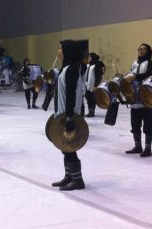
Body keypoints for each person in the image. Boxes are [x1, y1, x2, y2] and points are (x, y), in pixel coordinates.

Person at [51, 40, 87, 191]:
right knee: (63, 146)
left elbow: (71, 94)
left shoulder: (72, 69)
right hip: (62, 112)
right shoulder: (66, 68)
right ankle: (69, 176)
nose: (58, 51)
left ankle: (78, 180)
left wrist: (70, 116)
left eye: (61, 48)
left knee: (69, 147)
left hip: (69, 112)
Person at [126, 43, 152, 157]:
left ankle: (148, 148)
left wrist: (134, 77)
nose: (140, 50)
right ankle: (138, 146)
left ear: (148, 51)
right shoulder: (134, 63)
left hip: (147, 98)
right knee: (135, 124)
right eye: (139, 48)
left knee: (148, 124)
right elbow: (131, 75)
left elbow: (147, 74)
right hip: (135, 99)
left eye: (143, 49)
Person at [85, 53, 102, 117]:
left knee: (92, 99)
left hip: (92, 85)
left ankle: (92, 112)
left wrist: (95, 85)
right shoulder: (88, 65)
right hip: (87, 85)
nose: (88, 58)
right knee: (88, 98)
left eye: (90, 57)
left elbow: (98, 76)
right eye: (88, 57)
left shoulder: (96, 66)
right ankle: (90, 111)